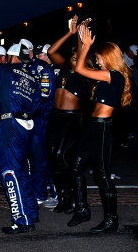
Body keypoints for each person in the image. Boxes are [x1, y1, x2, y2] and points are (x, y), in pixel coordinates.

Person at [0, 41, 51, 234]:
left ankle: (21, 219)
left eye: (7, 56)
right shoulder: (32, 78)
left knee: (9, 172)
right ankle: (31, 213)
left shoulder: (3, 70)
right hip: (27, 126)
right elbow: (37, 104)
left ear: (12, 57)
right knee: (22, 171)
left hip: (10, 125)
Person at [67, 25, 132, 234]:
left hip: (103, 129)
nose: (97, 61)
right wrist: (82, 43)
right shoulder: (107, 76)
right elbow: (82, 67)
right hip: (91, 127)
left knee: (102, 175)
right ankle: (83, 209)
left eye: (99, 58)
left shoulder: (115, 76)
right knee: (75, 167)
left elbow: (80, 68)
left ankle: (111, 220)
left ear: (108, 57)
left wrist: (86, 45)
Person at [45, 16, 92, 214]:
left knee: (61, 156)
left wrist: (81, 35)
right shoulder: (63, 67)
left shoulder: (84, 73)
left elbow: (81, 53)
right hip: (56, 116)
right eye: (72, 56)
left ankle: (73, 197)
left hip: (72, 118)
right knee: (52, 158)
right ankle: (63, 197)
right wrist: (70, 33)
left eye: (76, 57)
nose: (74, 58)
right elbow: (50, 51)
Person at [30, 44, 57, 207]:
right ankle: (40, 193)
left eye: (42, 55)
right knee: (37, 158)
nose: (38, 57)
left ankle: (56, 193)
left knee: (49, 158)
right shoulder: (38, 69)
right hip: (39, 119)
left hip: (47, 119)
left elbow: (44, 96)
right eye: (37, 55)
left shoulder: (47, 71)